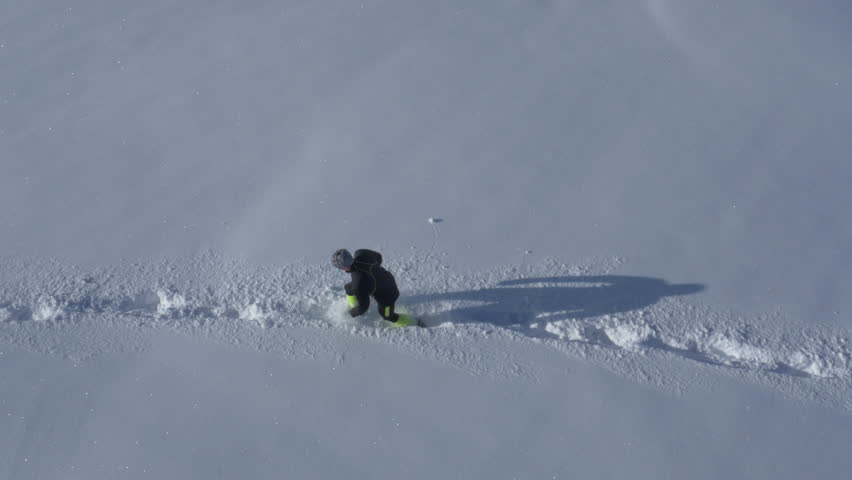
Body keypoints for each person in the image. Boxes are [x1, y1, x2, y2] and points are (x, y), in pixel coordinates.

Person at [331, 248, 418, 327]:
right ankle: (353, 304)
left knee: (387, 316)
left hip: (388, 294)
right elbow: (378, 257)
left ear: (343, 268)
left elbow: (363, 307)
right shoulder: (361, 253)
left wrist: (350, 314)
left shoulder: (358, 284)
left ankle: (415, 323)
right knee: (348, 288)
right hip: (387, 277)